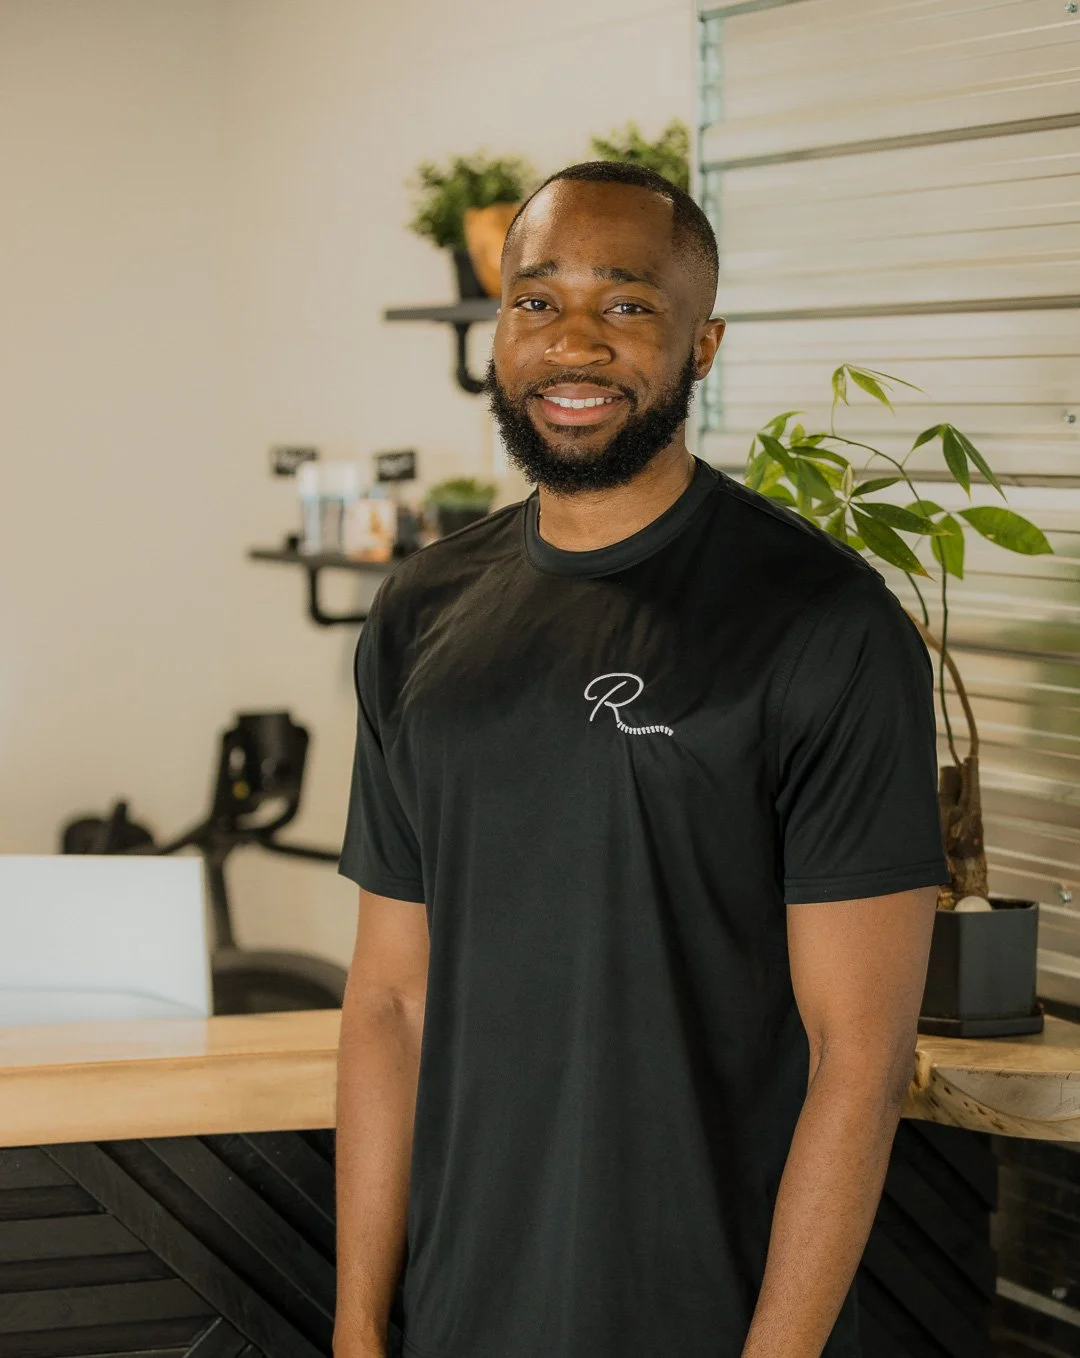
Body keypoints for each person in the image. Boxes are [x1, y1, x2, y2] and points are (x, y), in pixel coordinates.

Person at [333, 161, 948, 1358]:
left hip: (708, 1318)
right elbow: (390, 1004)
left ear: (701, 343)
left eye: (626, 305)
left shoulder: (822, 623)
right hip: (462, 1313)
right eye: (535, 300)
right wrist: (361, 1329)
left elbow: (861, 1058)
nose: (573, 343)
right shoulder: (420, 610)